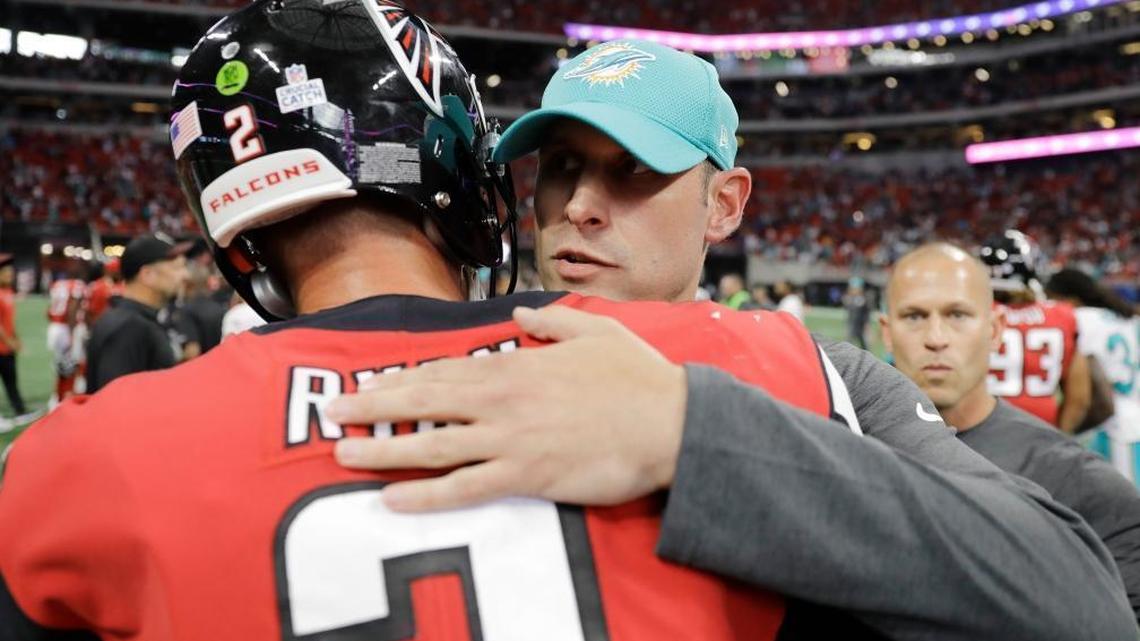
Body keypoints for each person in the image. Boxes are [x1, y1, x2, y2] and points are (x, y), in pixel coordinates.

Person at [0, 5, 872, 638]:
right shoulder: (737, 359)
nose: (578, 207)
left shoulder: (87, 455)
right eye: (560, 168)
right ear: (452, 169)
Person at [327, 39, 1134, 639]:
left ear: (724, 205)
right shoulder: (440, 357)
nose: (579, 205)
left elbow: (1075, 602)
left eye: (635, 169)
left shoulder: (830, 377)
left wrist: (695, 433)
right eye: (563, 165)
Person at [880, 242, 1140, 620]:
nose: (936, 337)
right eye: (915, 316)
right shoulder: (849, 446)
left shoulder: (1080, 482)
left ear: (996, 329)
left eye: (957, 315)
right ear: (887, 332)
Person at [979, 230, 1092, 431]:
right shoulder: (1062, 315)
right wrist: (1060, 439)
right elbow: (1080, 398)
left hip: (980, 433)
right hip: (1042, 435)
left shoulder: (973, 314)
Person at [1047, 268, 1140, 483]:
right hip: (1133, 420)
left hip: (1104, 428)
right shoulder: (1125, 317)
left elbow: (1080, 393)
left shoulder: (1078, 318)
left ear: (1067, 297)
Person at [84, 234, 189, 393]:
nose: (185, 275)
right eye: (176, 267)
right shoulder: (128, 329)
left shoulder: (135, 320)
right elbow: (114, 405)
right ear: (147, 275)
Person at [44, 261, 85, 404]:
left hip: (55, 326)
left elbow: (48, 310)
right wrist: (71, 332)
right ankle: (62, 397)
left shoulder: (58, 284)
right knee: (71, 365)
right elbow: (72, 309)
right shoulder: (77, 285)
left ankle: (57, 396)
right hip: (66, 327)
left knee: (62, 364)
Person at [0, 255, 27, 420]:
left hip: (8, 349)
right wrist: (9, 342)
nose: (10, 276)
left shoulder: (8, 292)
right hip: (2, 347)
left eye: (11, 273)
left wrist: (16, 339)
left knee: (11, 382)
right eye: (6, 273)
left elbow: (9, 320)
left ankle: (20, 411)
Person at [842, 277, 871, 350]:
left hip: (860, 325)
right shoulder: (850, 299)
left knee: (863, 343)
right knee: (848, 341)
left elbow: (866, 314)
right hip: (851, 323)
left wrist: (867, 325)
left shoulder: (862, 300)